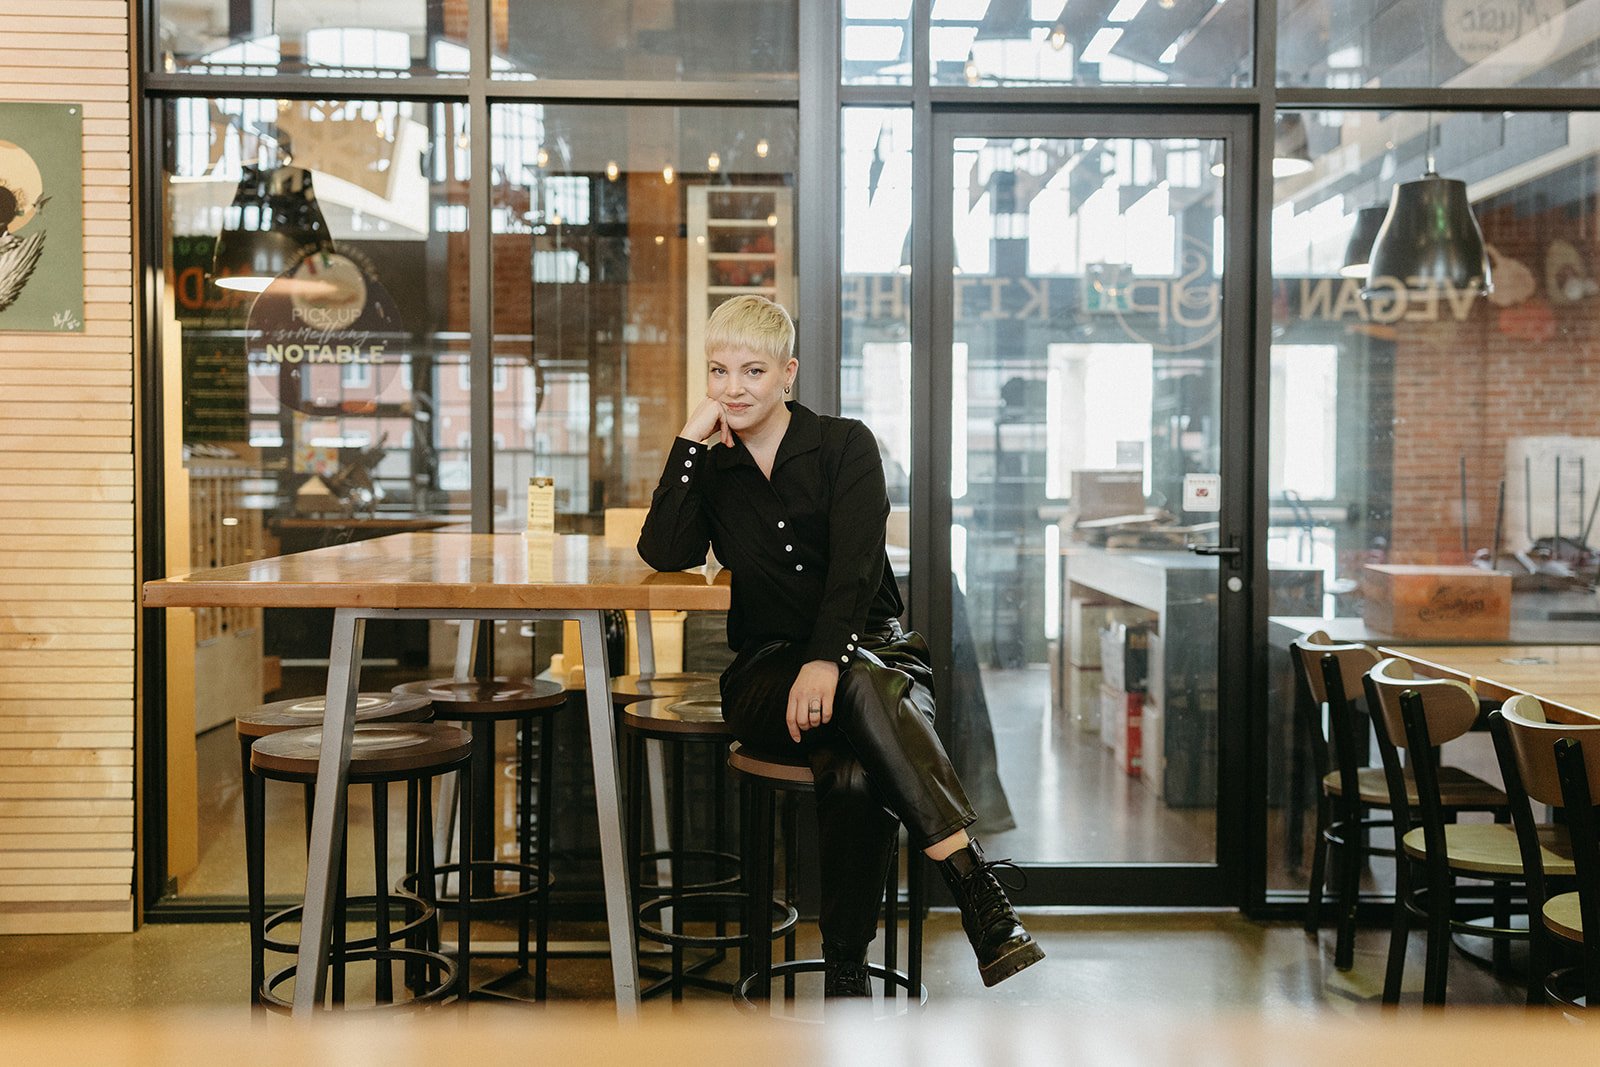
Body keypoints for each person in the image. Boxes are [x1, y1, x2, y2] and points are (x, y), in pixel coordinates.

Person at [637, 294, 1043, 994]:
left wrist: (826, 659)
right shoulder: (713, 470)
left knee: (854, 769)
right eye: (718, 371)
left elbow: (856, 570)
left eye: (753, 371)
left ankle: (846, 970)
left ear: (788, 373)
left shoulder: (845, 445)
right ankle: (977, 888)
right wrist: (687, 439)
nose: (733, 388)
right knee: (853, 695)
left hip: (879, 656)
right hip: (767, 674)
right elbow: (664, 548)